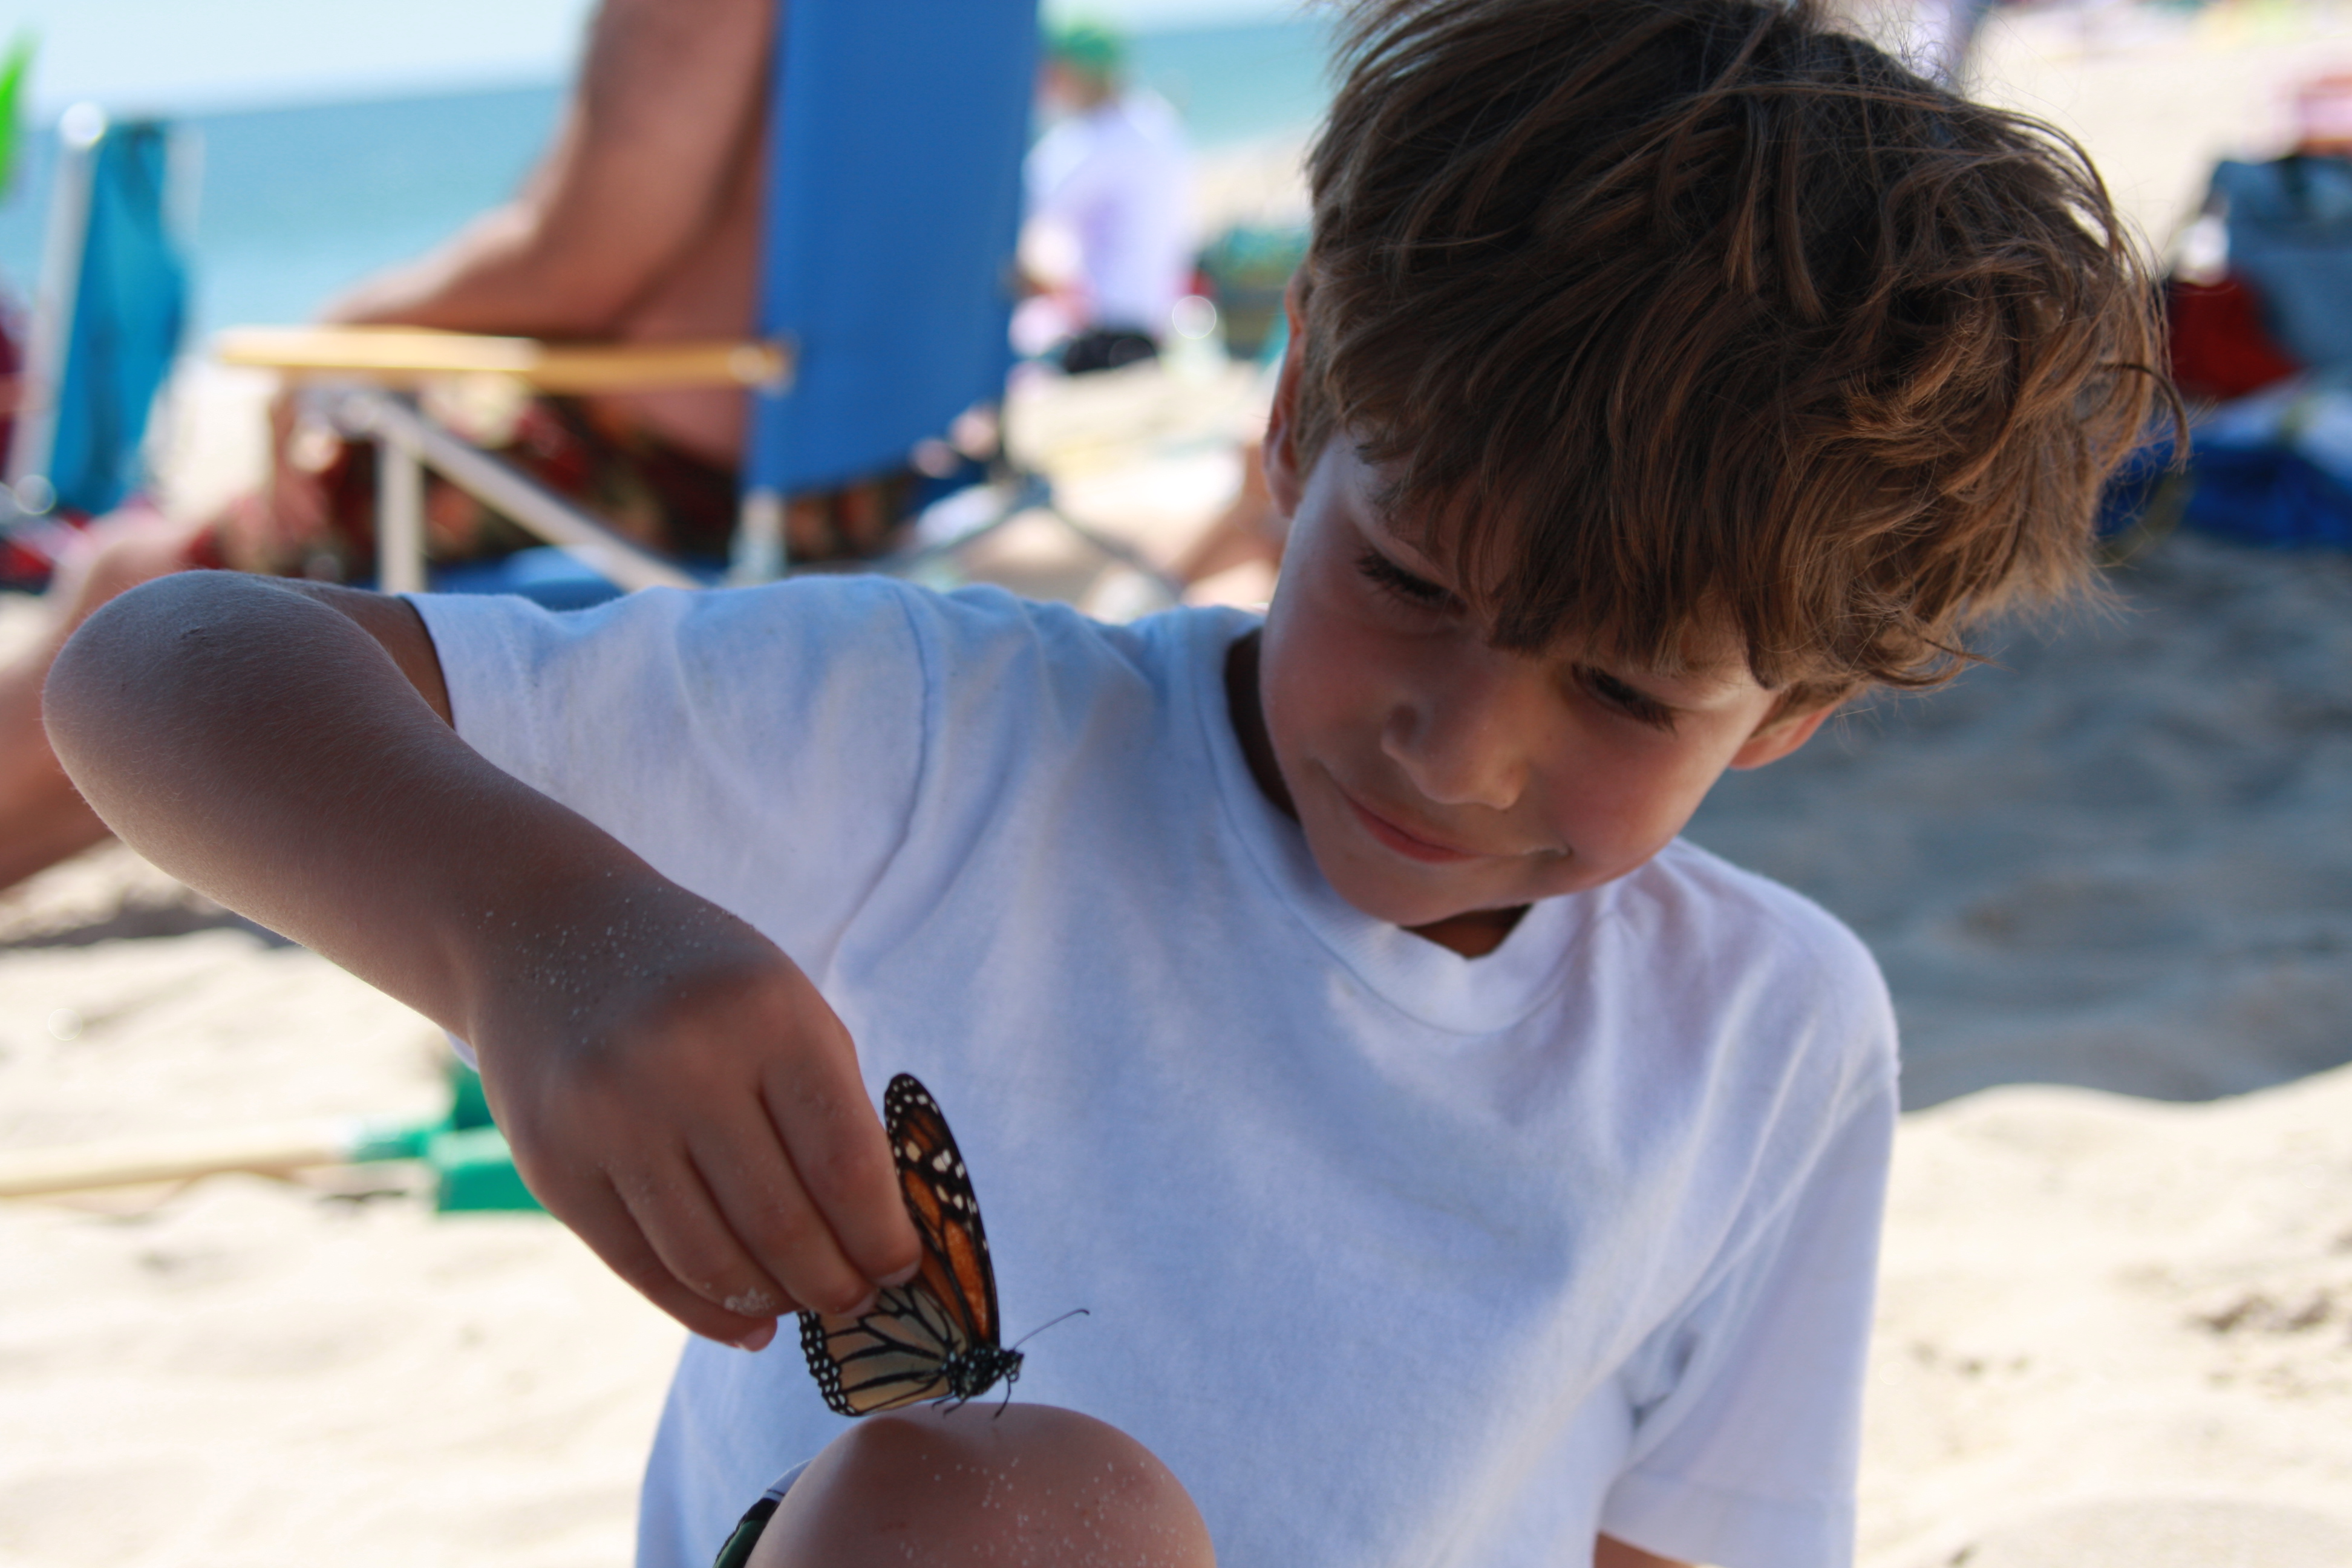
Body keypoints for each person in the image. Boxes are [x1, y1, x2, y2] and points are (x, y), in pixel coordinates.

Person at [44, 0, 2164, 1563]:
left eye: (1620, 691)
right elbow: (160, 667)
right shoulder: (946, 745)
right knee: (1008, 1493)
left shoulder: (1767, 1040)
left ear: (1789, 707)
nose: (1460, 737)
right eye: (1407, 580)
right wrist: (537, 931)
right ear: (1295, 415)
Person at [0, 0, 907, 893]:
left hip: (669, 467)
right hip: (848, 468)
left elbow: (580, 263)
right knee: (163, 642)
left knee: (137, 593)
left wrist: (334, 334)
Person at [1021, 21, 1194, 374]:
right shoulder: (1158, 123)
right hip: (1156, 330)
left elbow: (1014, 216)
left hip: (1104, 341)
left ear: (1069, 73)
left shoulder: (1086, 143)